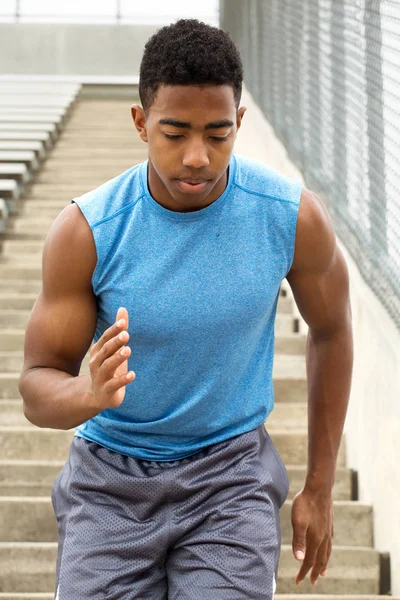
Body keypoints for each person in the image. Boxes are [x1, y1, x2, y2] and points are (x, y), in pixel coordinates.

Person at [18, 18, 353, 600]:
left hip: (230, 476)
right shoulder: (87, 231)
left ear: (239, 124)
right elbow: (34, 387)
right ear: (141, 122)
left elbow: (332, 329)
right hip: (110, 479)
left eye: (217, 134)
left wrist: (319, 487)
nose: (198, 157)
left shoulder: (290, 217)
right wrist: (86, 393)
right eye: (175, 133)